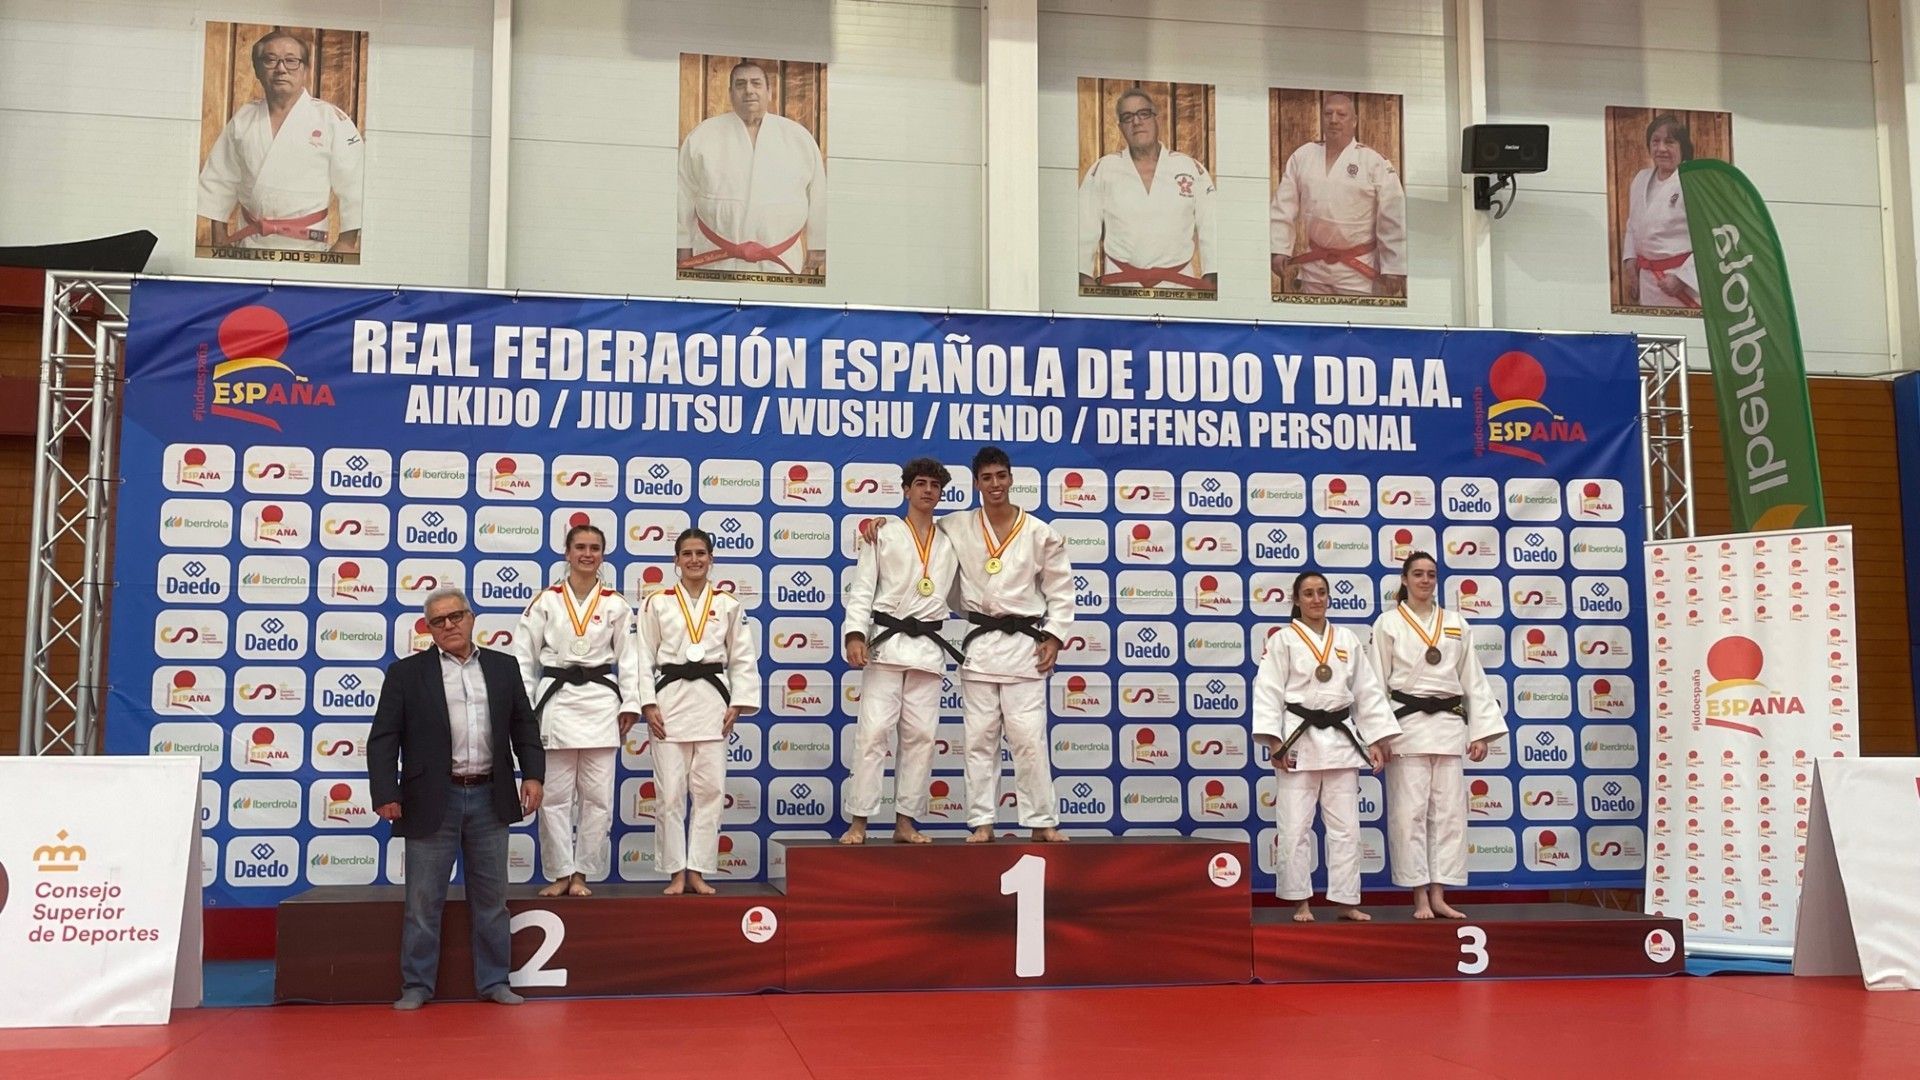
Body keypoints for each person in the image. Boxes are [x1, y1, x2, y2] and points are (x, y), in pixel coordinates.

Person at [369, 588, 544, 1010]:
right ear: (428, 629)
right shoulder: (405, 674)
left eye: (456, 616)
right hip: (431, 799)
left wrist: (534, 775)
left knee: (492, 902)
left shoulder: (503, 667)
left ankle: (495, 981)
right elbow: (384, 738)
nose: (449, 625)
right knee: (422, 903)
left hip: (490, 797)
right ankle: (416, 985)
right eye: (438, 621)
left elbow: (524, 726)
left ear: (471, 617)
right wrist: (386, 792)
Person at [1251, 570, 1398, 922]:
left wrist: (1376, 739)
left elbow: (1366, 692)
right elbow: (1268, 690)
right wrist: (1274, 741)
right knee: (1294, 827)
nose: (1316, 599)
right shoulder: (1283, 640)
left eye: (1321, 592)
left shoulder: (1346, 639)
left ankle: (1346, 901)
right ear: (1296, 600)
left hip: (1339, 739)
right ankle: (1300, 901)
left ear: (1328, 597)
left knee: (1346, 829)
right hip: (1298, 738)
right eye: (1308, 593)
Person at [1371, 552, 1508, 919]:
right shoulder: (1388, 623)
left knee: (1449, 816)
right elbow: (1375, 683)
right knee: (1410, 814)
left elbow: (1473, 679)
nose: (1425, 580)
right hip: (1406, 728)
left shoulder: (1455, 623)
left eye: (1431, 574)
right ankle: (1418, 895)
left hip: (1447, 727)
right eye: (1417, 574)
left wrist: (1481, 732)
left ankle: (1439, 894)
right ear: (1404, 579)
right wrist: (1378, 736)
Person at [513, 525, 644, 899]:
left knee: (598, 798)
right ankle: (560, 872)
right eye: (581, 547)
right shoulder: (546, 601)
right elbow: (523, 656)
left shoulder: (616, 604)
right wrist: (525, 705)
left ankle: (583, 872)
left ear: (603, 554)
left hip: (601, 702)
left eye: (595, 548)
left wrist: (630, 703)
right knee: (554, 797)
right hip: (557, 701)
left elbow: (631, 659)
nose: (588, 554)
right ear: (567, 552)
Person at [841, 458, 964, 844]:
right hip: (887, 645)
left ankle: (905, 822)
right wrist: (855, 635)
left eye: (935, 486)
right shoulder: (883, 533)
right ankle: (859, 821)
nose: (928, 491)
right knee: (873, 733)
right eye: (921, 484)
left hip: (927, 648)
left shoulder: (951, 540)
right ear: (906, 490)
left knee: (921, 737)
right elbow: (863, 589)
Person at [637, 529, 761, 895]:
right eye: (687, 554)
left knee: (710, 792)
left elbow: (742, 657)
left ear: (711, 558)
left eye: (701, 553)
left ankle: (698, 870)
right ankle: (675, 871)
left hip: (712, 704)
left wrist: (738, 702)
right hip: (669, 703)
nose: (694, 560)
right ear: (676, 560)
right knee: (669, 794)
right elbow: (642, 656)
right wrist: (647, 703)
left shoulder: (727, 604)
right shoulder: (657, 602)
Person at [196, 29, 365, 256]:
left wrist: (346, 243)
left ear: (305, 70)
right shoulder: (244, 119)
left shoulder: (331, 120)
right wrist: (219, 238)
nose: (281, 69)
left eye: (291, 61)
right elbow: (220, 179)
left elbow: (355, 183)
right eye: (270, 60)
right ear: (257, 70)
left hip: (309, 247)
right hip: (250, 244)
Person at [676, 60, 827, 278]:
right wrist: (681, 241)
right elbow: (683, 191)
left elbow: (818, 192)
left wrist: (819, 241)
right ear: (730, 93)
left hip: (780, 257)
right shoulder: (702, 136)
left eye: (756, 83)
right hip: (715, 257)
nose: (749, 90)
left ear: (769, 92)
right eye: (740, 84)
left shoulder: (798, 137)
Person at [1077, 87, 1218, 293]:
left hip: (1179, 285)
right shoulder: (1104, 169)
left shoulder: (1189, 168)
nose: (1136, 121)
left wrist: (1213, 273)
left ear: (1155, 119)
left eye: (1143, 113)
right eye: (1128, 117)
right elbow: (1083, 225)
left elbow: (1211, 223)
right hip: (1120, 285)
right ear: (1120, 127)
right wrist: (1082, 273)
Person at [1269, 92, 1407, 298]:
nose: (1334, 120)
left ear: (1354, 121)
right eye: (1328, 114)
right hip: (1315, 267)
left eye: (1341, 115)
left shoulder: (1373, 162)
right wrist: (1280, 248)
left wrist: (1394, 266)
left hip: (1359, 269)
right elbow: (1283, 206)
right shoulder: (1303, 155)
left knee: (1356, 319)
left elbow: (1393, 215)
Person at [1620, 113, 1699, 309]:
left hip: (1679, 285)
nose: (1661, 148)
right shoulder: (1641, 179)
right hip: (1647, 281)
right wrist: (1630, 259)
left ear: (1683, 147)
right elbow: (1633, 225)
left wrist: (1683, 278)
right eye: (1655, 141)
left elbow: (1710, 238)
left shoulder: (1694, 183)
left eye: (1669, 142)